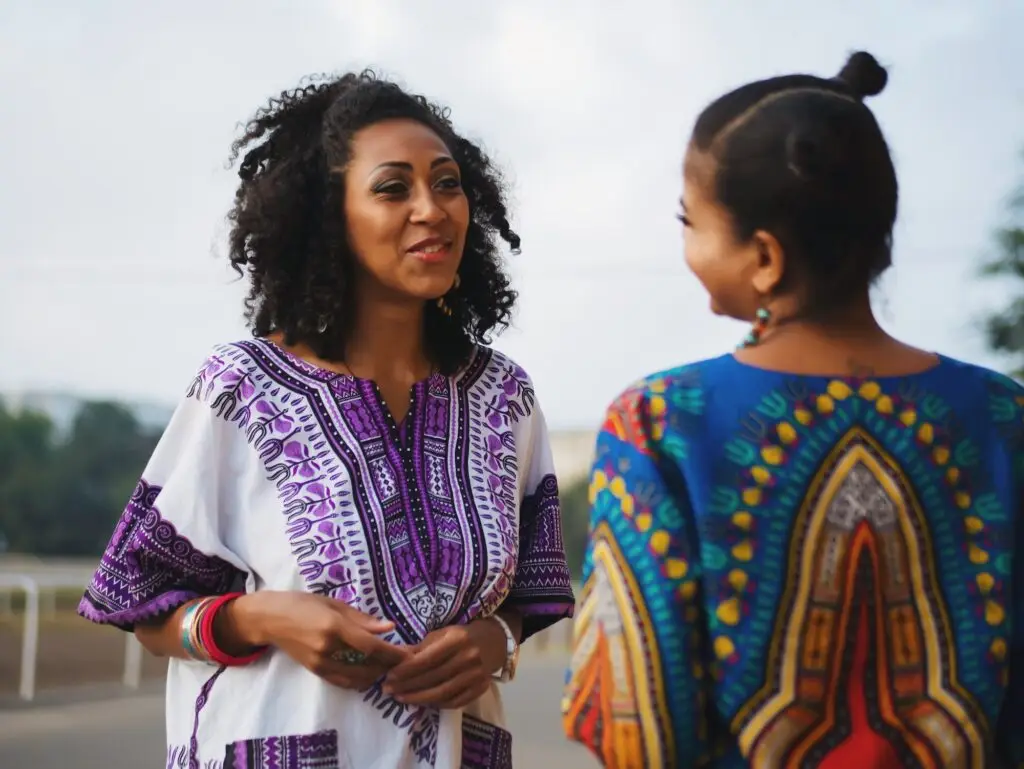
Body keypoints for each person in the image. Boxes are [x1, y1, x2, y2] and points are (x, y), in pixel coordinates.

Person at [79, 70, 575, 769]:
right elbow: (143, 600)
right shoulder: (240, 389)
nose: (431, 208)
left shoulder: (505, 398)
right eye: (393, 187)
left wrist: (497, 641)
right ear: (327, 216)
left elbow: (532, 593)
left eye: (447, 182)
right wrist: (261, 617)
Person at [562, 51, 1022, 769]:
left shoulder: (660, 423)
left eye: (692, 221)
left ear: (766, 257)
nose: (683, 243)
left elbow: (640, 723)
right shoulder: (1003, 416)